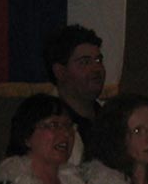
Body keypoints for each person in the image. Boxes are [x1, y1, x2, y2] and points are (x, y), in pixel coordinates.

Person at [44, 24, 105, 163]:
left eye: (98, 60)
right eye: (85, 62)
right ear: (60, 72)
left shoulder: (114, 117)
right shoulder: (42, 126)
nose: (96, 68)